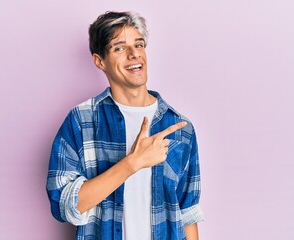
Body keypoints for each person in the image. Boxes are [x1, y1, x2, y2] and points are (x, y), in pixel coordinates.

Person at [46, 11, 204, 240]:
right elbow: (65, 206)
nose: (134, 54)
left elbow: (188, 212)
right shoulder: (82, 121)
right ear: (100, 61)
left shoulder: (180, 127)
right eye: (120, 48)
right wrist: (133, 162)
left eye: (139, 45)